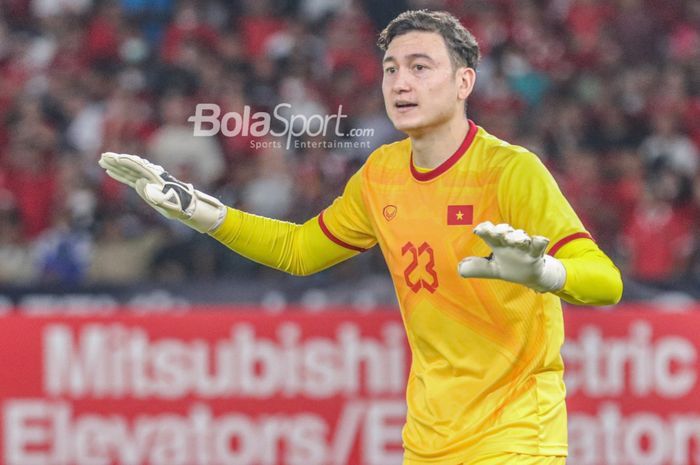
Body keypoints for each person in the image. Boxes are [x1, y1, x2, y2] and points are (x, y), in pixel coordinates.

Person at [99, 10, 622, 465]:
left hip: (518, 436)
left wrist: (547, 273)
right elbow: (299, 251)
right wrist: (203, 213)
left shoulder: (510, 171)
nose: (400, 83)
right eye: (391, 69)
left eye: (421, 67)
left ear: (464, 83)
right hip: (429, 441)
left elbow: (607, 281)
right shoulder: (381, 174)